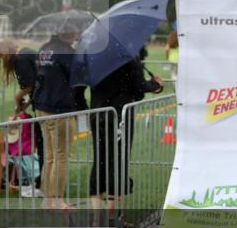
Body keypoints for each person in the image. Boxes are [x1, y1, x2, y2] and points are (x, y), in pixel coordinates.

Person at [88, 46, 164, 217]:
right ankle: (113, 217)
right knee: (118, 162)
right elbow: (139, 86)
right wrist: (155, 84)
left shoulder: (94, 53)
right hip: (119, 115)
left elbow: (80, 86)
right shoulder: (128, 53)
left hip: (98, 113)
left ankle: (97, 218)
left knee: (100, 160)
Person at [33, 25, 88, 210]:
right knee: (61, 156)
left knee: (50, 155)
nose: (79, 33)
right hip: (60, 108)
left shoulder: (45, 48)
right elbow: (79, 80)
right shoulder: (68, 53)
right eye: (77, 30)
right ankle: (56, 201)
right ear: (70, 32)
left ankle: (48, 201)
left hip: (42, 105)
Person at [0, 39, 44, 187]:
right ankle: (43, 179)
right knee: (44, 145)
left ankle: (43, 181)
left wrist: (17, 98)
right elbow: (36, 85)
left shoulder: (20, 58)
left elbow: (29, 86)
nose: (3, 61)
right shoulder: (26, 53)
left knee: (44, 145)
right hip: (46, 100)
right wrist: (21, 108)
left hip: (45, 104)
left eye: (2, 57)